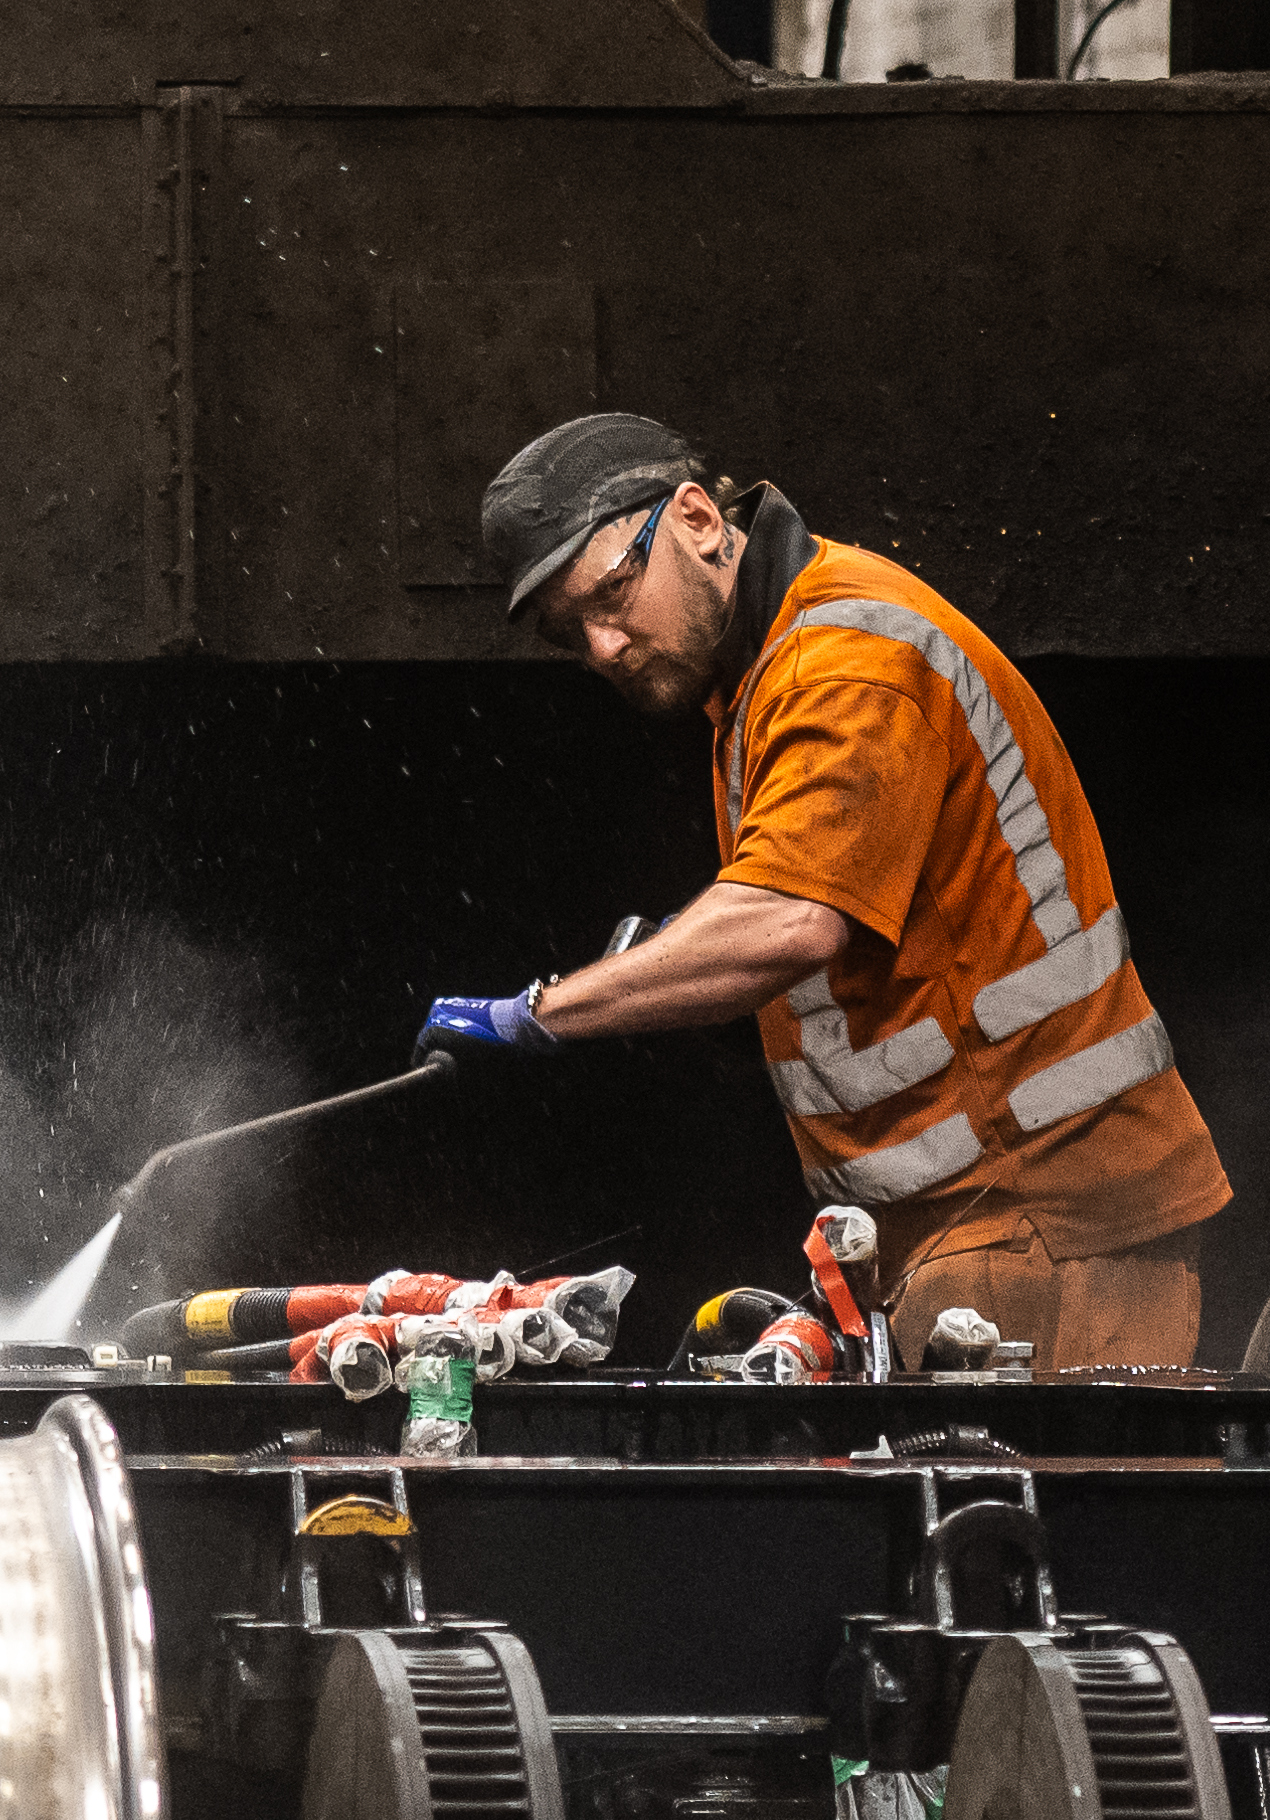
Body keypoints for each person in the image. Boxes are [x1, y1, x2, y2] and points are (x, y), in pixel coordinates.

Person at [419, 413, 1228, 1371]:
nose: (602, 645)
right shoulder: (767, 669)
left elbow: (787, 920)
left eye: (612, 592)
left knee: (1028, 1518)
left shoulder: (846, 659)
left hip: (1042, 1212)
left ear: (695, 520)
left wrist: (542, 1013)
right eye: (568, 633)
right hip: (982, 1221)